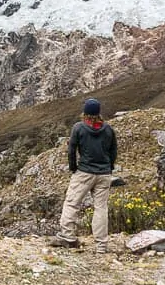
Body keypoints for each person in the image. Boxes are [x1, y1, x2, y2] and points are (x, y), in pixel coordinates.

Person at [49, 98, 118, 254]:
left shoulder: (79, 128)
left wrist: (74, 168)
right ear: (98, 112)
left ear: (85, 113)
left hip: (84, 172)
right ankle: (101, 245)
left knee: (72, 203)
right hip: (104, 173)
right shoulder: (108, 129)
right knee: (101, 208)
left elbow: (71, 150)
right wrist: (109, 167)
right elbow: (113, 151)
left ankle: (68, 237)